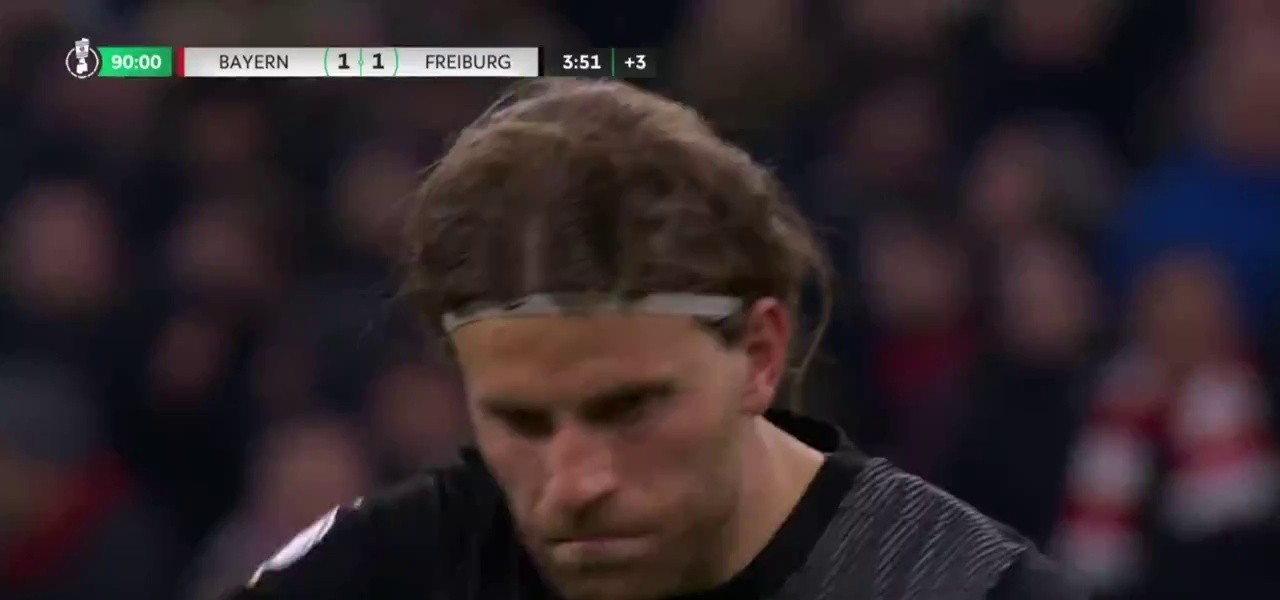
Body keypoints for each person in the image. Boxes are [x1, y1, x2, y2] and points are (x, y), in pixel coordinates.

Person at [223, 79, 1084, 599]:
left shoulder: (958, 587)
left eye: (629, 408)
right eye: (521, 421)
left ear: (759, 355)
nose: (573, 484)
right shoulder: (380, 571)